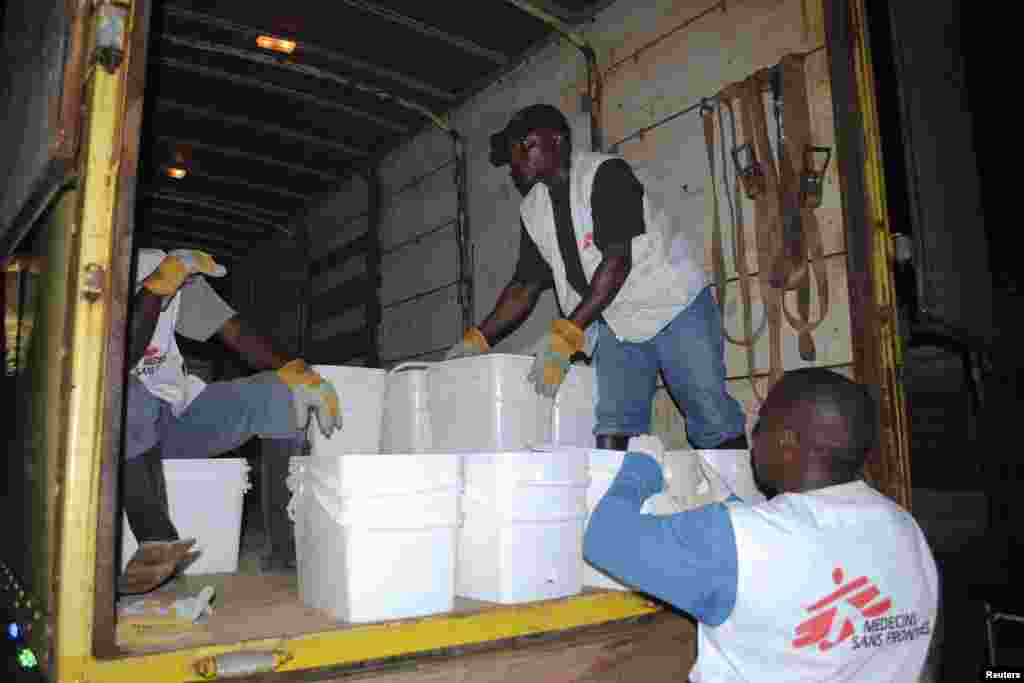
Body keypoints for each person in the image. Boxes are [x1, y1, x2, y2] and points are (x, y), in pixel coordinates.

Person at [583, 368, 939, 681]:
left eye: (761, 426)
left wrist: (641, 467)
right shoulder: (905, 528)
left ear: (785, 440)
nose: (754, 438)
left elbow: (605, 539)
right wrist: (730, 505)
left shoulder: (735, 540)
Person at [444, 103, 746, 451]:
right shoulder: (534, 210)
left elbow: (617, 261)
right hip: (617, 322)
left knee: (710, 417)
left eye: (525, 146)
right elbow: (524, 286)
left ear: (556, 141)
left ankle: (739, 500)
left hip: (671, 303)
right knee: (614, 431)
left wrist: (567, 334)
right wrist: (478, 340)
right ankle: (620, 504)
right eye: (513, 150)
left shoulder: (605, 174)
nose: (515, 158)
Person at [120, 248, 341, 595]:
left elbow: (235, 333)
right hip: (113, 438)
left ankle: (287, 548)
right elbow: (121, 353)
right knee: (131, 394)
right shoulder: (93, 275)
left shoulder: (169, 270)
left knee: (278, 393)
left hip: (175, 418)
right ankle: (155, 539)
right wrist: (154, 290)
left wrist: (297, 371)